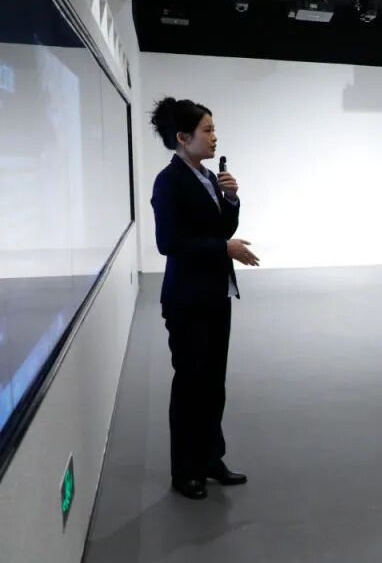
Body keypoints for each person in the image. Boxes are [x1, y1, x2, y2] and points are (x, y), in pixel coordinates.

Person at [150, 98, 259, 500]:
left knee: (213, 384)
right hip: (187, 300)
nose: (214, 137)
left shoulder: (209, 177)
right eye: (207, 130)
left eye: (214, 130)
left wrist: (231, 199)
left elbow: (221, 228)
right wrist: (223, 249)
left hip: (215, 294)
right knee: (190, 385)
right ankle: (185, 471)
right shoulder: (168, 182)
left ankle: (212, 459)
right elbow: (168, 242)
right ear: (183, 137)